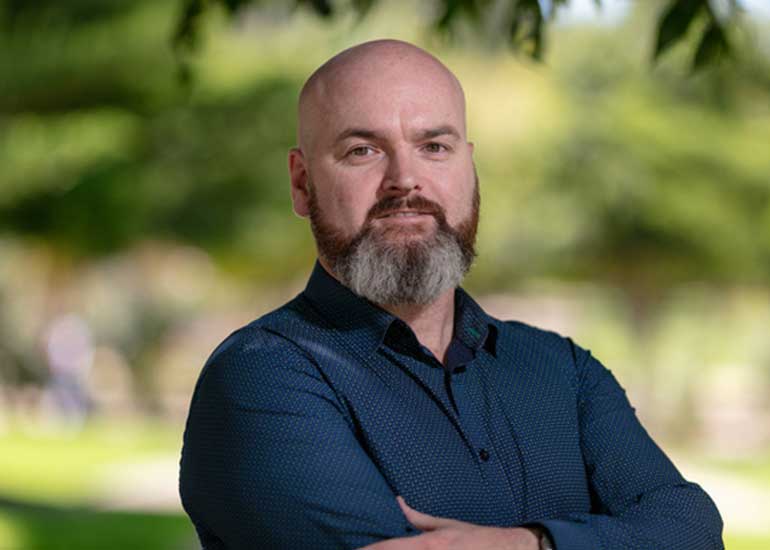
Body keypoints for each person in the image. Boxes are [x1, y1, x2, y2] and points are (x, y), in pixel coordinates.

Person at [179, 39, 724, 550]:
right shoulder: (262, 377)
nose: (405, 180)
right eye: (363, 150)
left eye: (434, 146)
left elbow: (692, 529)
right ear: (302, 183)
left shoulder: (563, 369)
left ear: (470, 169)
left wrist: (530, 543)